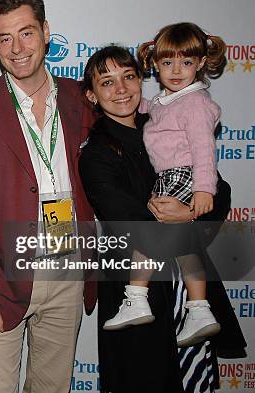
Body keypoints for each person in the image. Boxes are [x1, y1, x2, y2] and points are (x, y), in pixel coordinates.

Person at [0, 0, 97, 392]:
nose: (16, 48)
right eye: (4, 38)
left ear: (46, 31)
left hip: (69, 264)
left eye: (26, 33)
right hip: (1, 279)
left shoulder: (83, 100)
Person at [79, 45, 245, 393]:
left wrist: (190, 211)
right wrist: (189, 222)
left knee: (193, 381)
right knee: (146, 379)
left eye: (128, 76)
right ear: (92, 96)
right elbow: (130, 222)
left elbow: (219, 188)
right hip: (136, 290)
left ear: (142, 80)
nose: (121, 89)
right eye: (107, 83)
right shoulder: (95, 154)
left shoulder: (166, 124)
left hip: (188, 289)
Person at [104, 23, 225, 347]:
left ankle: (136, 298)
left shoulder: (195, 103)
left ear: (200, 64)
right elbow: (145, 111)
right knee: (185, 249)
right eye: (167, 62)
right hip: (169, 177)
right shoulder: (163, 101)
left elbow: (203, 150)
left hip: (182, 176)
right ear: (155, 64)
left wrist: (203, 190)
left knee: (148, 238)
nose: (176, 70)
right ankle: (199, 309)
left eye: (186, 63)